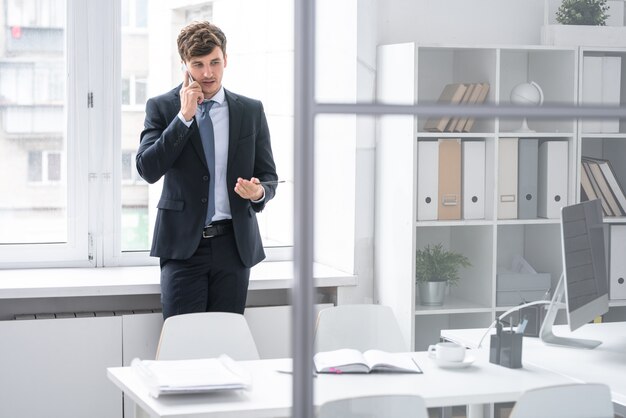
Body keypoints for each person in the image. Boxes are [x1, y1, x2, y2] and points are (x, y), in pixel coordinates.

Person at [136, 21, 278, 319]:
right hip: (183, 246)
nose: (208, 73)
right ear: (184, 65)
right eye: (198, 65)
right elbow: (147, 169)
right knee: (183, 343)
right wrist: (184, 117)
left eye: (215, 62)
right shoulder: (162, 108)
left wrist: (259, 192)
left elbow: (268, 176)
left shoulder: (250, 110)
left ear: (225, 58)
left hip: (234, 246)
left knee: (226, 342)